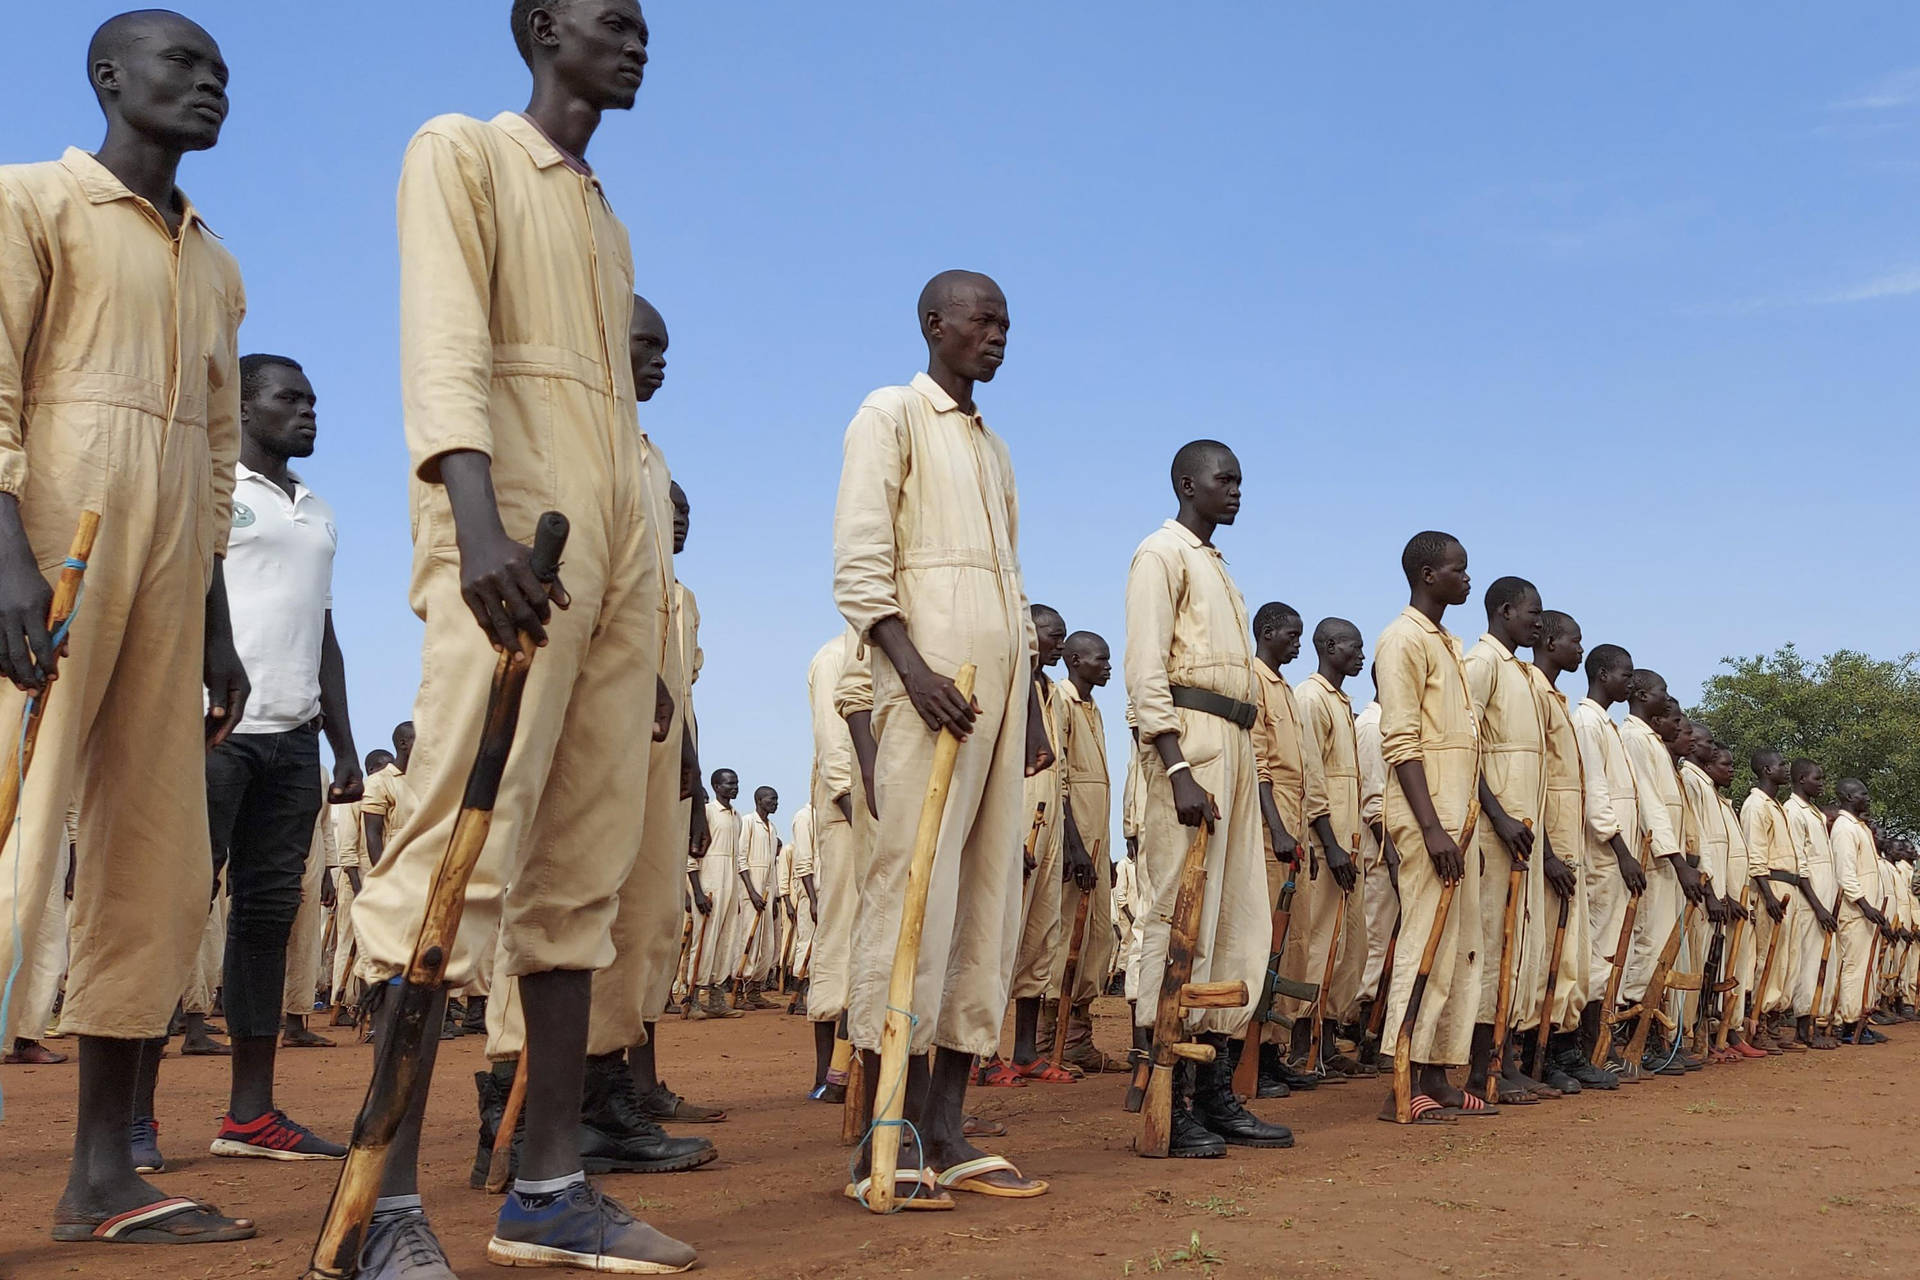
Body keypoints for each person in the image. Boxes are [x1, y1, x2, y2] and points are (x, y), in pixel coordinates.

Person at [339, 1, 695, 1272]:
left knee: (578, 876)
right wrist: (473, 521)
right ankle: (378, 1202)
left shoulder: (602, 213)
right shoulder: (464, 150)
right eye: (614, 21)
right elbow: (446, 344)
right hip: (513, 551)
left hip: (611, 562)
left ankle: (547, 1185)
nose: (639, 42)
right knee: (452, 852)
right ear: (542, 29)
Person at [0, 9, 256, 1245]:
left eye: (222, 74)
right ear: (107, 77)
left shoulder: (215, 262)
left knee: (149, 864)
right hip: (51, 548)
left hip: (168, 571)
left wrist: (216, 622)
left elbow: (214, 454)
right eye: (184, 65)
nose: (210, 85)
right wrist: (6, 558)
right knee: (12, 830)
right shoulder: (29, 201)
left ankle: (103, 1174)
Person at [833, 268, 1053, 1204]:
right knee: (912, 894)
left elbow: (1008, 584)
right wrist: (912, 669)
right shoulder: (890, 414)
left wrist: (1032, 703)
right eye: (981, 319)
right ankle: (884, 1132)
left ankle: (950, 1124)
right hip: (931, 692)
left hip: (1001, 702)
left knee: (987, 903)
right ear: (934, 325)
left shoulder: (995, 447)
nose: (998, 335)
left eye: (1006, 322)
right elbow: (858, 559)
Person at [149, 352, 361, 1163]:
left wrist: (343, 741)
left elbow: (326, 636)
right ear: (241, 407)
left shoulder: (318, 510)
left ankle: (252, 1115)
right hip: (211, 732)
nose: (308, 411)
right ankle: (136, 1118)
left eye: (313, 398)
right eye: (289, 398)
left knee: (268, 921)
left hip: (293, 741)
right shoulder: (213, 495)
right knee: (173, 910)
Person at [1125, 439, 1291, 1154]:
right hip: (1188, 744)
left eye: (1242, 481)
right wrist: (1176, 767)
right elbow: (1144, 669)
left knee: (1236, 919)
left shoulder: (1220, 569)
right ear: (1188, 483)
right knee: (1178, 912)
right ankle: (1168, 1084)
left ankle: (1215, 1087)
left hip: (1233, 745)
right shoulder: (1159, 555)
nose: (1237, 491)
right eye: (1226, 480)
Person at [1374, 531, 1481, 1124]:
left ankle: (1438, 1074)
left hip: (1457, 820)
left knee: (1454, 951)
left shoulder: (1447, 644)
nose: (1467, 579)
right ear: (1427, 574)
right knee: (1422, 942)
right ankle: (1403, 1077)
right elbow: (1401, 741)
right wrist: (1433, 828)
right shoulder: (1401, 640)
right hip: (1427, 819)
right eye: (1458, 570)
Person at [1463, 577, 1552, 1105]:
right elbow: (1463, 747)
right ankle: (1480, 1068)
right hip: (1499, 833)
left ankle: (1507, 1058)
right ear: (1504, 611)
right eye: (1531, 613)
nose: (1538, 622)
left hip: (1525, 832)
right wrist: (1496, 816)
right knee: (1493, 945)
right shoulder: (1482, 664)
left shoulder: (1521, 672)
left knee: (1521, 949)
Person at [990, 603, 1082, 1085]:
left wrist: (1068, 839)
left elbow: (1060, 775)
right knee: (997, 940)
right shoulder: (1005, 682)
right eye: (1052, 634)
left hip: (1048, 827)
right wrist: (1005, 836)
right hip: (1013, 825)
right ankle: (982, 1052)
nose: (1059, 643)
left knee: (1040, 939)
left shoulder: (1053, 696)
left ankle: (1026, 1051)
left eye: (1063, 635)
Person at [1248, 601, 1332, 1093]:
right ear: (1267, 632)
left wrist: (1304, 835)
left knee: (1292, 946)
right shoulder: (1254, 679)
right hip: (1267, 834)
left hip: (1291, 834)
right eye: (1291, 634)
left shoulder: (1286, 691)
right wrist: (1278, 828)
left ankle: (1273, 1050)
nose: (1298, 644)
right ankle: (1247, 1052)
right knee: (1266, 941)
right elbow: (1260, 766)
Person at [1522, 610, 1607, 1091]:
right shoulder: (1532, 690)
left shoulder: (1557, 698)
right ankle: (1538, 1051)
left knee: (1571, 956)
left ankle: (1563, 1047)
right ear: (1551, 641)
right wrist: (1550, 851)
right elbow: (1536, 783)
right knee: (1542, 956)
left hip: (1569, 848)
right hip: (1546, 847)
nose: (1581, 649)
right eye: (1575, 641)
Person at [1617, 672, 1702, 1070]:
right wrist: (1675, 858)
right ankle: (1635, 1035)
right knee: (1646, 948)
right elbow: (1649, 803)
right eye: (1664, 692)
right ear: (1643, 696)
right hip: (1656, 859)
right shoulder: (1634, 738)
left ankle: (1651, 1033)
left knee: (1660, 951)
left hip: (1668, 861)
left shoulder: (1651, 742)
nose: (1668, 699)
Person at [1294, 618, 1369, 1078]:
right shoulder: (1311, 699)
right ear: (1328, 646)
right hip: (1328, 847)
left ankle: (1324, 1041)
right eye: (1352, 646)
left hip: (1349, 846)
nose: (1360, 654)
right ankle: (1303, 1047)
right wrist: (1330, 843)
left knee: (1348, 949)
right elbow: (1312, 780)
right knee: (1318, 944)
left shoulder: (1342, 704)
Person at [1569, 645, 1647, 1073]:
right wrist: (1620, 849)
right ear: (1602, 674)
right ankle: (1589, 1045)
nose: (1630, 682)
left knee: (1617, 945)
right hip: (1604, 855)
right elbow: (1595, 792)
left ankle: (1601, 1043)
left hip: (1619, 856)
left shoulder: (1608, 725)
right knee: (1600, 950)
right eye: (1625, 674)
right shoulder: (1585, 721)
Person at [1052, 629, 1121, 1074]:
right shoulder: (1060, 702)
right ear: (1075, 660)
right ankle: (1048, 1037)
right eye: (1101, 659)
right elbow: (1059, 780)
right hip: (1073, 842)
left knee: (1097, 939)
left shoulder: (1093, 708)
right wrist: (1073, 846)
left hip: (1096, 841)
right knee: (1063, 940)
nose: (1108, 666)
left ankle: (1077, 1036)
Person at [804, 627, 863, 1099]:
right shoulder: (833, 658)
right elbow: (832, 737)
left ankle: (859, 1063)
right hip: (848, 813)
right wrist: (849, 801)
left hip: (882, 811)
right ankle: (829, 1072)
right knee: (840, 930)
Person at [1740, 750, 1801, 1050]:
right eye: (1781, 764)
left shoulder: (1776, 806)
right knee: (1766, 957)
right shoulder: (1755, 805)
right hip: (1769, 886)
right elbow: (1755, 855)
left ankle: (1775, 1020)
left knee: (1783, 960)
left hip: (1786, 885)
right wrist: (1766, 895)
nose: (1786, 768)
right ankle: (1757, 1021)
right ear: (1766, 769)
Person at [1353, 674, 1398, 1063]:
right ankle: (1369, 1031)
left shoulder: (1398, 722)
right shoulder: (1371, 726)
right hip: (1383, 853)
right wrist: (1395, 855)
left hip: (1404, 852)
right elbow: (1373, 801)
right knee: (1378, 941)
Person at [1783, 760, 1841, 1049]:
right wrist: (1818, 906)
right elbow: (1799, 864)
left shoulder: (1816, 814)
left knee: (1821, 964)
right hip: (1810, 903)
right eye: (1818, 778)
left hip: (1824, 902)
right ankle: (1803, 1028)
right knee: (1807, 965)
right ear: (1802, 779)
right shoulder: (1793, 812)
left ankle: (1814, 1021)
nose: (1822, 783)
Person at [1829, 780, 1887, 1042]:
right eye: (1863, 793)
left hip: (1867, 912)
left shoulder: (1859, 827)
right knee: (1854, 967)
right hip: (1855, 912)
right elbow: (1846, 874)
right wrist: (1865, 905)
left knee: (1866, 968)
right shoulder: (1844, 828)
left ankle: (1861, 1019)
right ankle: (1848, 1023)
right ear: (1849, 796)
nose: (1868, 797)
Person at [691, 770, 745, 1019]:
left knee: (726, 939)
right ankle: (692, 1000)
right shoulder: (708, 812)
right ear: (715, 786)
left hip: (730, 883)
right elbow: (691, 854)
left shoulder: (737, 817)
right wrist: (698, 892)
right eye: (729, 783)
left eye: (736, 782)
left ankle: (716, 998)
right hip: (710, 881)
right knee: (704, 939)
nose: (734, 787)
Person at [735, 787, 782, 1009]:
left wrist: (773, 898)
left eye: (777, 800)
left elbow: (772, 867)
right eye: (771, 799)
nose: (775, 803)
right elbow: (741, 859)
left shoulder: (772, 829)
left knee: (767, 943)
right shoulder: (747, 823)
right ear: (759, 800)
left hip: (767, 891)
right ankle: (739, 990)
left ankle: (755, 990)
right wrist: (752, 892)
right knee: (748, 940)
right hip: (750, 890)